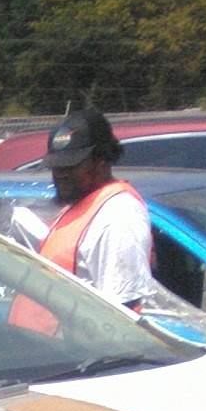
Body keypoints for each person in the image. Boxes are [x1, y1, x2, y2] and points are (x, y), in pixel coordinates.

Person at [41, 108, 160, 311]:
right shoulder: (82, 206)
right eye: (56, 166)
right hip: (42, 341)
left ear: (101, 162)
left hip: (75, 342)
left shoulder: (118, 216)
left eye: (71, 166)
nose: (60, 174)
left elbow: (121, 312)